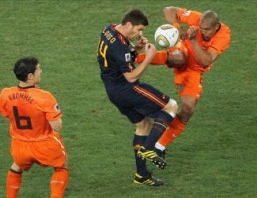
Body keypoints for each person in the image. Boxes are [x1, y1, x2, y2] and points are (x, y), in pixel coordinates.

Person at [97, 9, 178, 187]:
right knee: (171, 106)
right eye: (139, 29)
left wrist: (136, 49)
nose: (140, 33)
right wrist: (148, 57)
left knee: (143, 125)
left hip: (113, 91)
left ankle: (141, 175)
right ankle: (149, 148)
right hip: (127, 89)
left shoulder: (108, 30)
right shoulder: (120, 45)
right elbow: (131, 76)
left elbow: (120, 59)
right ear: (128, 24)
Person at [135, 6, 231, 154]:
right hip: (183, 50)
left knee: (188, 109)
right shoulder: (197, 18)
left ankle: (159, 146)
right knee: (179, 57)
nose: (203, 32)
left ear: (216, 26)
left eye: (206, 30)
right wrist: (177, 26)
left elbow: (206, 61)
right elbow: (168, 10)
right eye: (201, 28)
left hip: (195, 69)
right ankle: (134, 58)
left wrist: (193, 40)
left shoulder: (224, 35)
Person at [0, 57, 69, 198]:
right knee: (62, 164)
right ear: (30, 76)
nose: (41, 71)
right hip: (44, 144)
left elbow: (7, 115)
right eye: (38, 69)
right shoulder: (44, 97)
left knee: (16, 166)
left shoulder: (5, 94)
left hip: (20, 145)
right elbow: (57, 126)